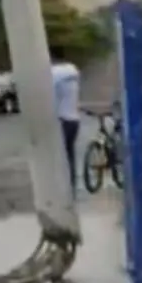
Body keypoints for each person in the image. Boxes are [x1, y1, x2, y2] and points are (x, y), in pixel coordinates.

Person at [50, 44, 81, 194]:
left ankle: (60, 191)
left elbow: (49, 98)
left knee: (57, 157)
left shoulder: (53, 73)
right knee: (69, 155)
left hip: (61, 120)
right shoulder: (73, 71)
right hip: (74, 118)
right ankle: (71, 188)